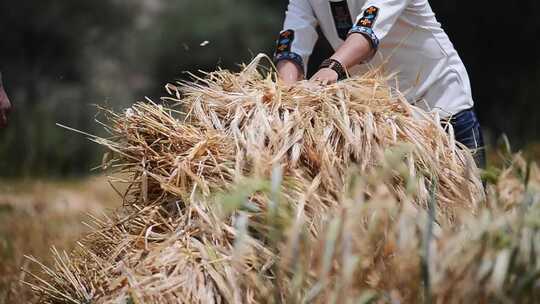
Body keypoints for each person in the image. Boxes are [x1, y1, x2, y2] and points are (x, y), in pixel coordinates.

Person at [273, 0, 486, 168]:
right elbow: (292, 44)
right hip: (387, 122)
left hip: (442, 109)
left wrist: (332, 67)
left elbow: (368, 30)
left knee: (469, 214)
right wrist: (285, 98)